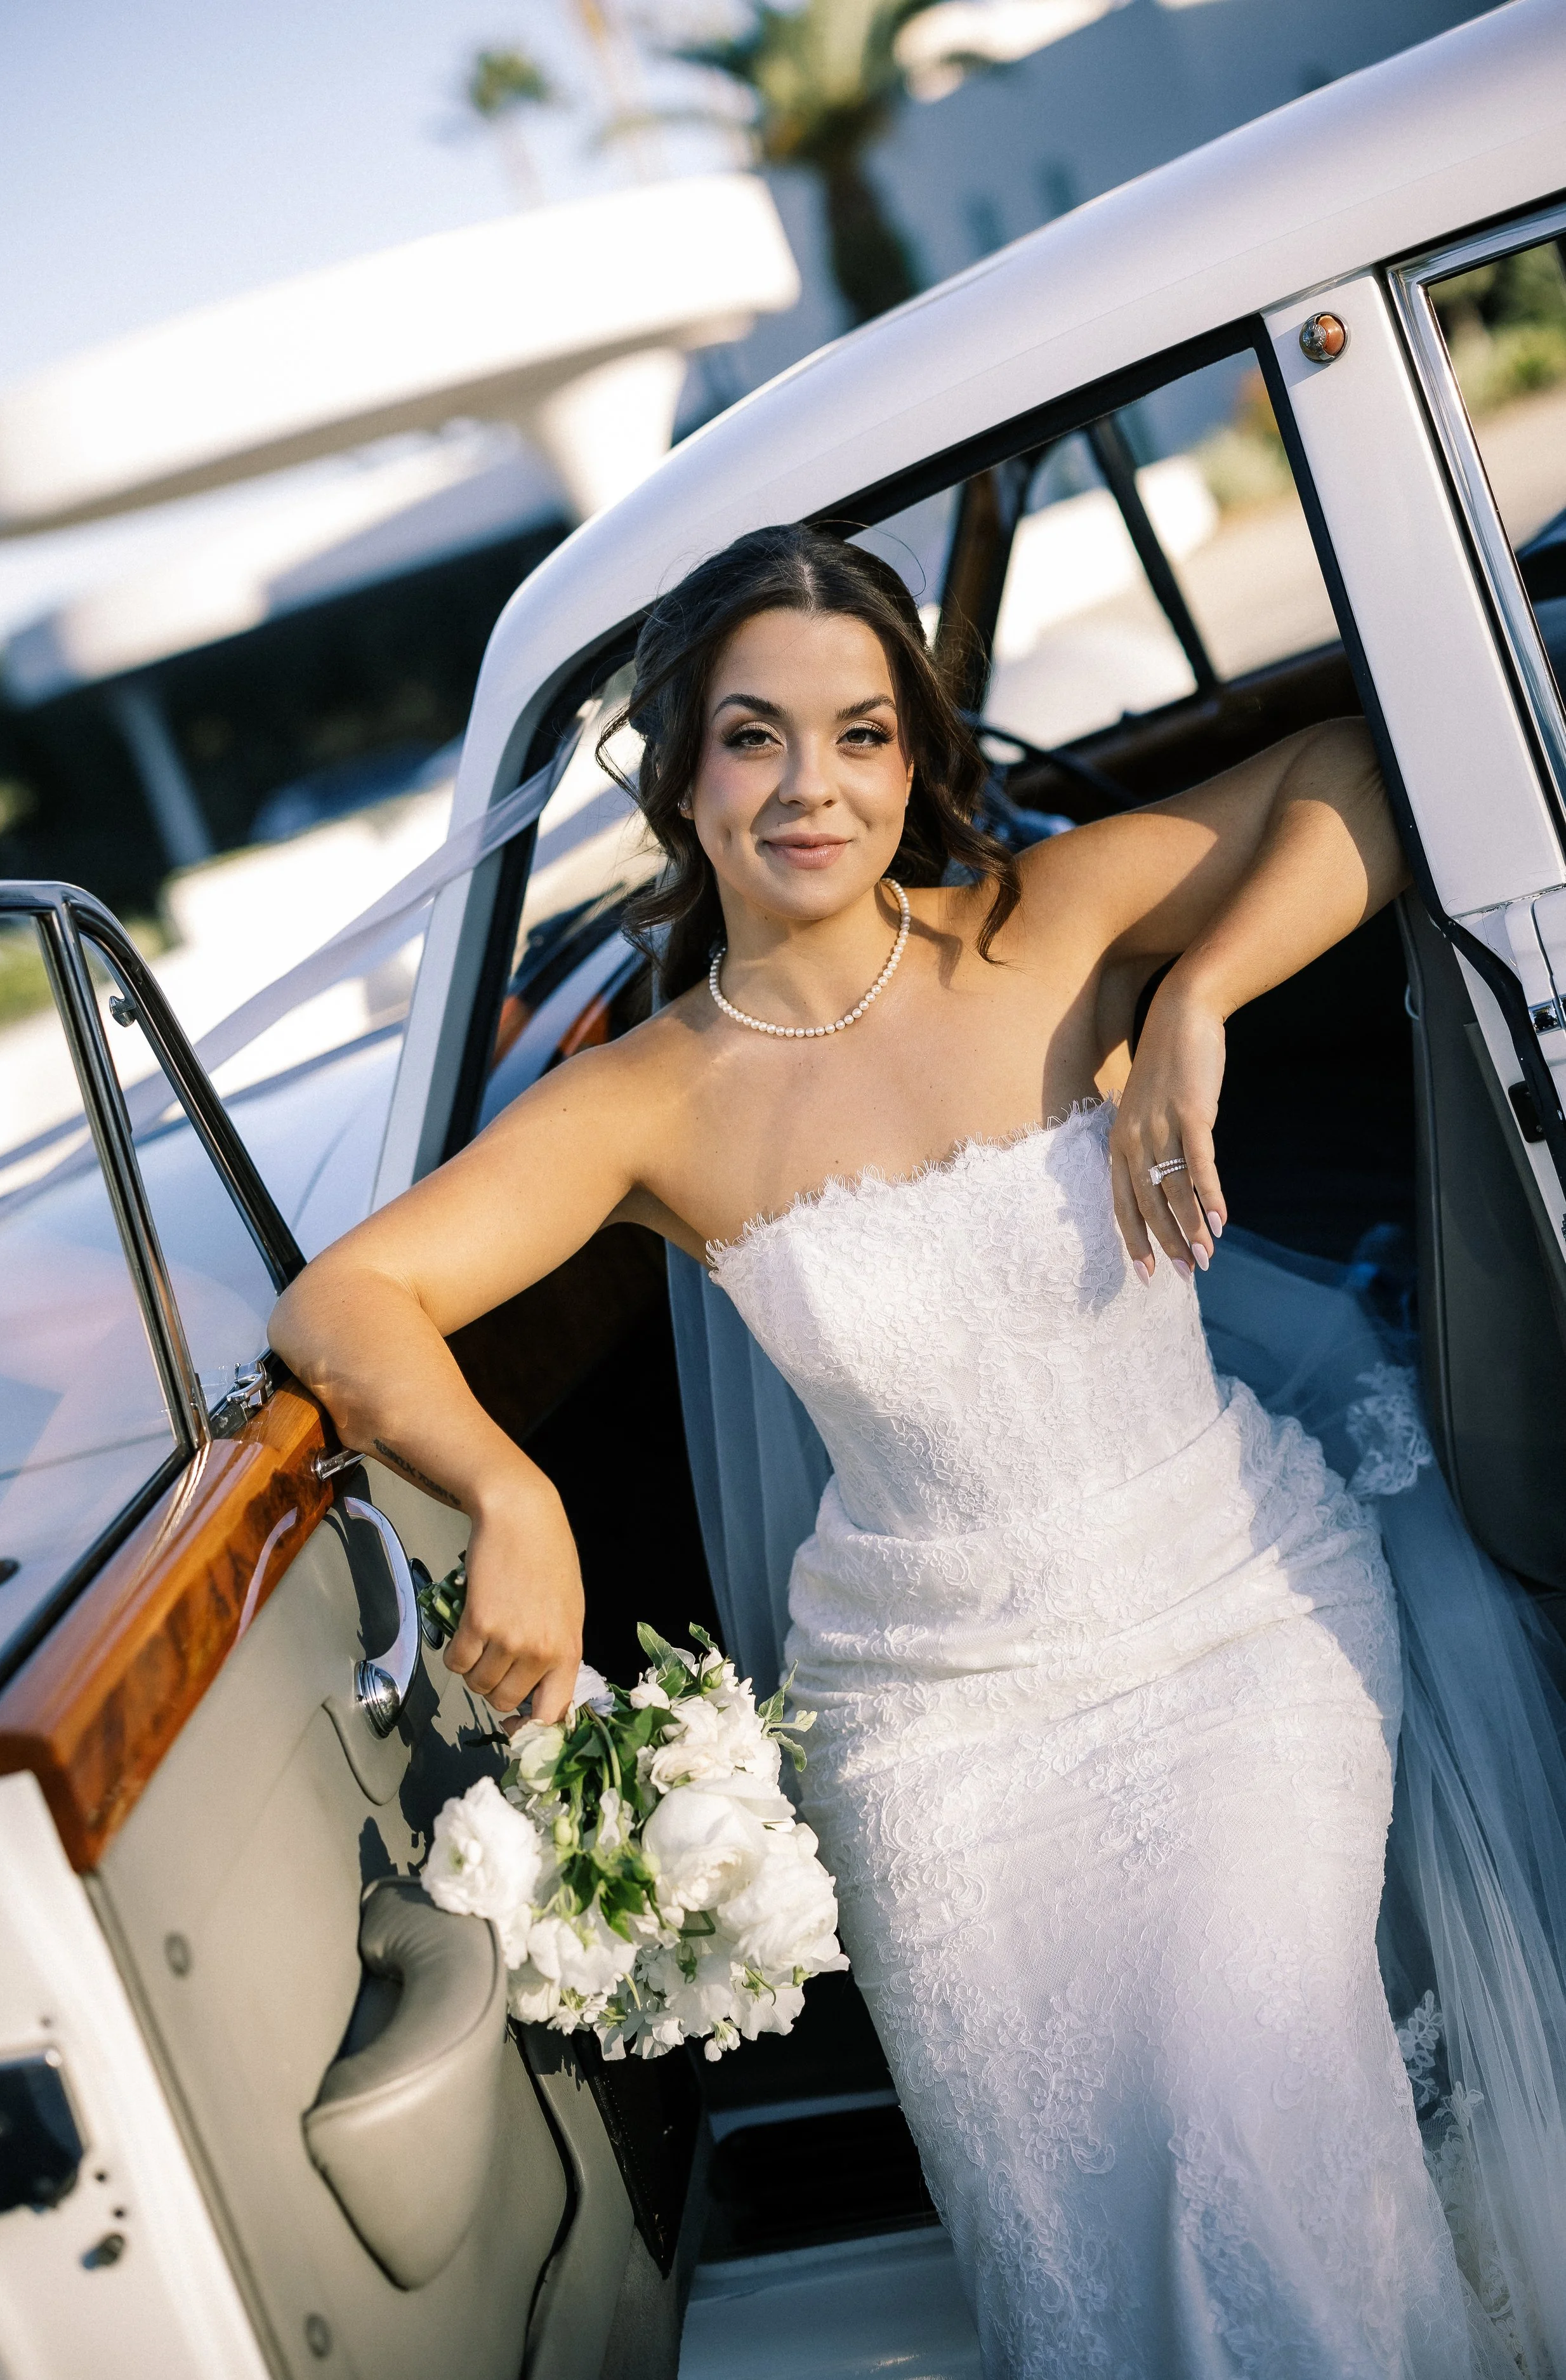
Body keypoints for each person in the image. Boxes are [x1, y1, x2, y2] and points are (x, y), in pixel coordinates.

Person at [269, 525, 1510, 2374]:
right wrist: (509, 1489)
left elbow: (1349, 781)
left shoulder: (1046, 924)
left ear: (913, 757)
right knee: (1059, 2196)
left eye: (859, 733)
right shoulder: (643, 1100)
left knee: (1238, 2094)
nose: (811, 785)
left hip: (1231, 1616)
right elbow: (346, 1301)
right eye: (754, 736)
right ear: (681, 775)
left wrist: (1193, 997)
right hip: (936, 1727)